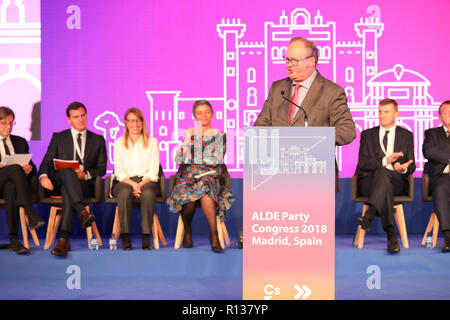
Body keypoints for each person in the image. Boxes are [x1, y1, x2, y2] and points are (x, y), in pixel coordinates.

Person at [254, 36, 356, 191]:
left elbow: (347, 131)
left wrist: (311, 139)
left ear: (312, 61)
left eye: (295, 60)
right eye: (287, 60)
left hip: (315, 177)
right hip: (277, 177)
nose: (289, 65)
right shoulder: (277, 89)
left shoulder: (332, 92)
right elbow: (261, 126)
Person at [39, 102, 107, 256]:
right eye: (76, 117)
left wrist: (85, 174)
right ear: (69, 119)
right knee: (68, 172)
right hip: (58, 181)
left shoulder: (98, 140)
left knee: (68, 190)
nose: (81, 119)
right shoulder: (58, 137)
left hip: (83, 184)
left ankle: (63, 240)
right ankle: (82, 212)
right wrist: (43, 177)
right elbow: (45, 164)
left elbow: (101, 169)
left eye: (83, 115)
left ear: (87, 116)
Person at [167, 100, 235, 253]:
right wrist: (186, 140)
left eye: (207, 112)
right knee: (187, 194)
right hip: (189, 177)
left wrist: (194, 154)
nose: (203, 116)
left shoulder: (221, 135)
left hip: (210, 175)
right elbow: (178, 159)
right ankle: (188, 230)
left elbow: (214, 159)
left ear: (212, 115)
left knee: (205, 186)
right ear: (194, 116)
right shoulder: (189, 134)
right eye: (199, 113)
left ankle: (214, 235)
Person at [355, 98, 415, 253]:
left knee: (386, 179)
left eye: (386, 112)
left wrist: (403, 169)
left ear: (396, 114)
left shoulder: (406, 135)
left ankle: (371, 214)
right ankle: (391, 236)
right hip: (370, 181)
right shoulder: (367, 134)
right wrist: (385, 160)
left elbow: (411, 164)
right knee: (383, 178)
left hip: (397, 181)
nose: (381, 115)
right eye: (380, 111)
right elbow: (363, 163)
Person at [112, 108, 160, 250]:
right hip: (125, 181)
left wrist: (140, 185)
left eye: (138, 120)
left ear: (143, 122)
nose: (135, 124)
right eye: (131, 120)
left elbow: (153, 172)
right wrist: (133, 185)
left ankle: (146, 236)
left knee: (148, 193)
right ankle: (125, 236)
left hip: (147, 181)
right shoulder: (119, 143)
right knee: (125, 193)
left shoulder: (152, 142)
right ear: (125, 123)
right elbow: (119, 172)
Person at [0, 106, 44, 254]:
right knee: (15, 169)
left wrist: (29, 169)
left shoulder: (20, 142)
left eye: (11, 123)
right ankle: (31, 214)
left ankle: (14, 240)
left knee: (11, 187)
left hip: (10, 185)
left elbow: (32, 166)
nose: (8, 127)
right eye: (4, 123)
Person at [422, 100, 450, 252]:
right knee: (440, 189)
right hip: (441, 176)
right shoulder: (432, 133)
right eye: (446, 112)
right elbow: (429, 151)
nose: (449, 115)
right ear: (439, 117)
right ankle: (448, 236)